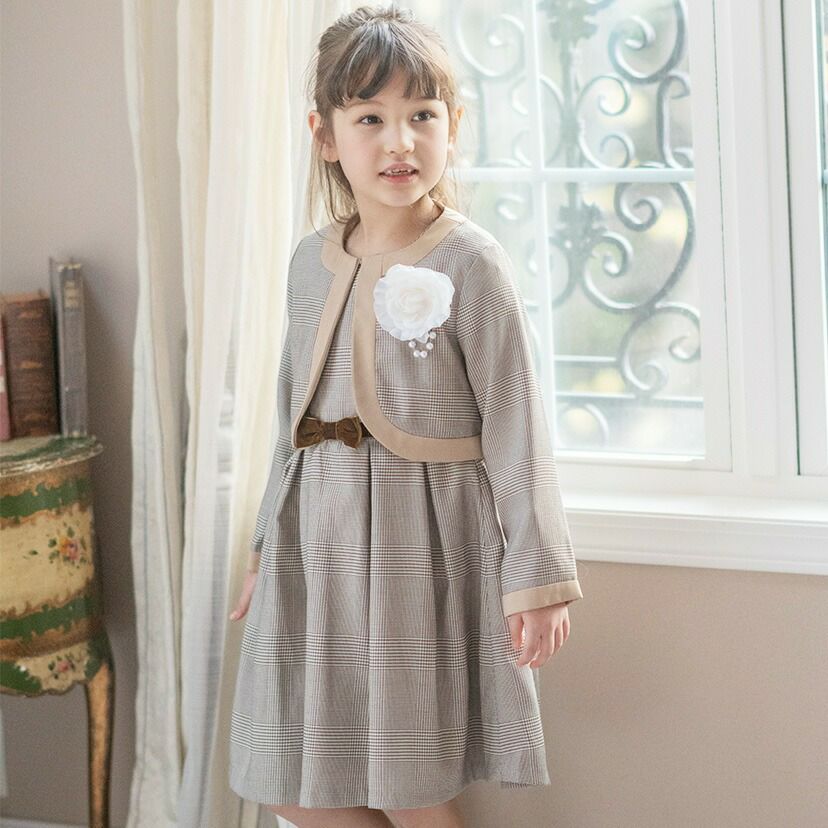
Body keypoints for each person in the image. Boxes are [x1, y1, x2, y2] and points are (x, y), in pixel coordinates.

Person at [227, 5, 584, 827]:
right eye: (370, 119)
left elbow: (517, 424)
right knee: (289, 776)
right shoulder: (309, 262)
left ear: (453, 125)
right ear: (325, 135)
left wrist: (538, 576)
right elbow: (291, 414)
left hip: (417, 543)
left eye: (422, 115)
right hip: (312, 542)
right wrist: (265, 542)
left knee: (411, 782)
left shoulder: (470, 261)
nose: (400, 142)